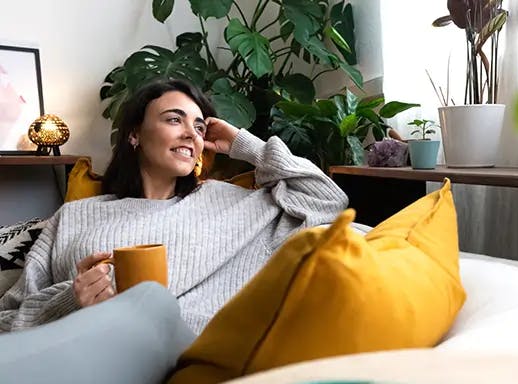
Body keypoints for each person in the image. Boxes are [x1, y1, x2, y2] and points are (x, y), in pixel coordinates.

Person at [0, 79, 348, 334]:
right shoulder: (74, 216)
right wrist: (71, 302)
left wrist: (245, 144)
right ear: (135, 134)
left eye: (198, 126)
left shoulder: (232, 204)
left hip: (189, 357)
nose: (191, 134)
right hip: (84, 350)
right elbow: (8, 319)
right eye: (173, 119)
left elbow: (326, 201)